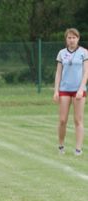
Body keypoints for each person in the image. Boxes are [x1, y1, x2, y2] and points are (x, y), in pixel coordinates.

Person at [53, 28, 88, 156]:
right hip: (64, 90)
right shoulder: (61, 53)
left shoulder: (84, 53)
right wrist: (56, 90)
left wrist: (81, 88)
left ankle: (78, 149)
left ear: (78, 39)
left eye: (74, 37)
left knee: (78, 120)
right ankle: (61, 145)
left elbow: (86, 72)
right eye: (69, 38)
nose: (72, 40)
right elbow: (58, 73)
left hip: (79, 91)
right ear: (66, 39)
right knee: (62, 120)